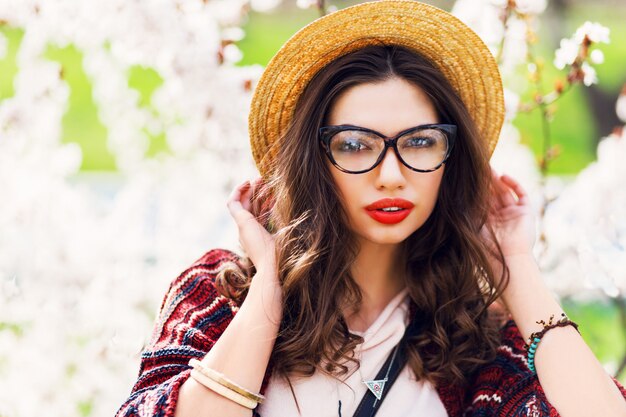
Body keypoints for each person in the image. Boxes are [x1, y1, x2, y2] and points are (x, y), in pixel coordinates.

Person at [115, 2, 626, 416]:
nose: (391, 174)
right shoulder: (220, 294)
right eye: (356, 145)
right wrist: (269, 291)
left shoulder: (472, 338)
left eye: (421, 142)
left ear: (452, 157)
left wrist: (517, 269)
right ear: (316, 159)